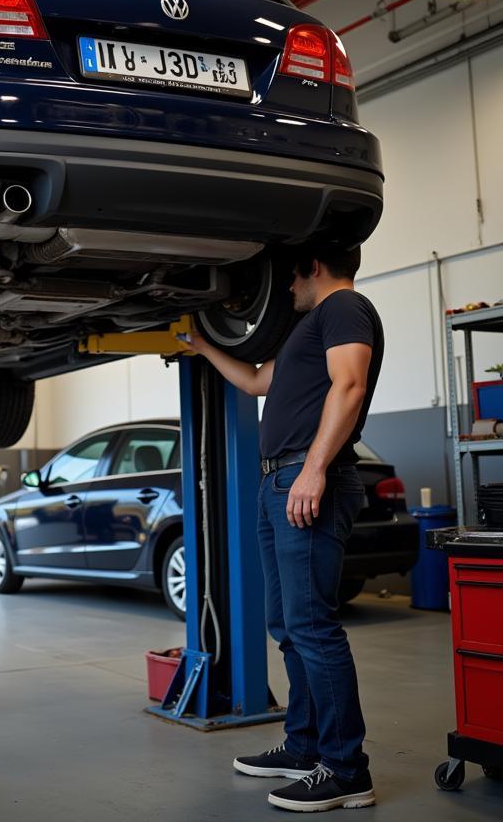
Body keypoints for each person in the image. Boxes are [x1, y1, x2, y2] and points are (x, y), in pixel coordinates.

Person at [181, 242, 382, 813]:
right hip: (280, 483)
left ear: (312, 266)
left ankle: (346, 770)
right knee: (288, 624)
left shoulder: (344, 308)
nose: (283, 288)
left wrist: (314, 470)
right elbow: (254, 383)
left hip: (306, 479)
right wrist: (201, 345)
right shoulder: (307, 327)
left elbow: (350, 386)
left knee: (313, 626)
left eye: (288, 276)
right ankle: (304, 747)